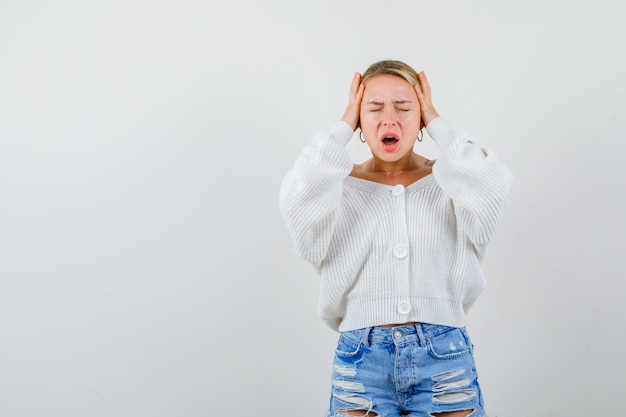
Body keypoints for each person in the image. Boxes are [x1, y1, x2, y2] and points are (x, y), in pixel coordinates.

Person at [279, 60, 513, 417]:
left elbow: (492, 184)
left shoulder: (449, 181)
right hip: (361, 362)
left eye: (404, 108)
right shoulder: (336, 187)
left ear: (420, 119)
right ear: (360, 121)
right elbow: (295, 198)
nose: (389, 119)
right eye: (373, 108)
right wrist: (342, 126)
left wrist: (437, 121)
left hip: (444, 360)